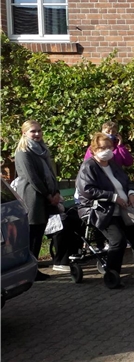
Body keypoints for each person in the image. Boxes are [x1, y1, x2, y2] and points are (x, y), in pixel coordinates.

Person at [76, 133, 134, 287]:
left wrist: (132, 194)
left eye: (109, 147)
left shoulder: (113, 164)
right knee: (118, 241)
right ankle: (112, 274)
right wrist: (113, 197)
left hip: (124, 210)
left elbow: (128, 182)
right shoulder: (89, 166)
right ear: (94, 150)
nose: (106, 151)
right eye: (102, 148)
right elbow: (87, 190)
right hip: (102, 211)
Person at [14, 120, 60, 281]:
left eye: (39, 131)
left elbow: (51, 174)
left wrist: (56, 192)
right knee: (33, 234)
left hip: (45, 197)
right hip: (32, 197)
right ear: (24, 133)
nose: (37, 134)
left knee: (39, 234)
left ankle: (34, 269)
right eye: (33, 131)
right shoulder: (23, 152)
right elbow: (32, 178)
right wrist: (48, 195)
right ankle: (30, 271)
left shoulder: (42, 150)